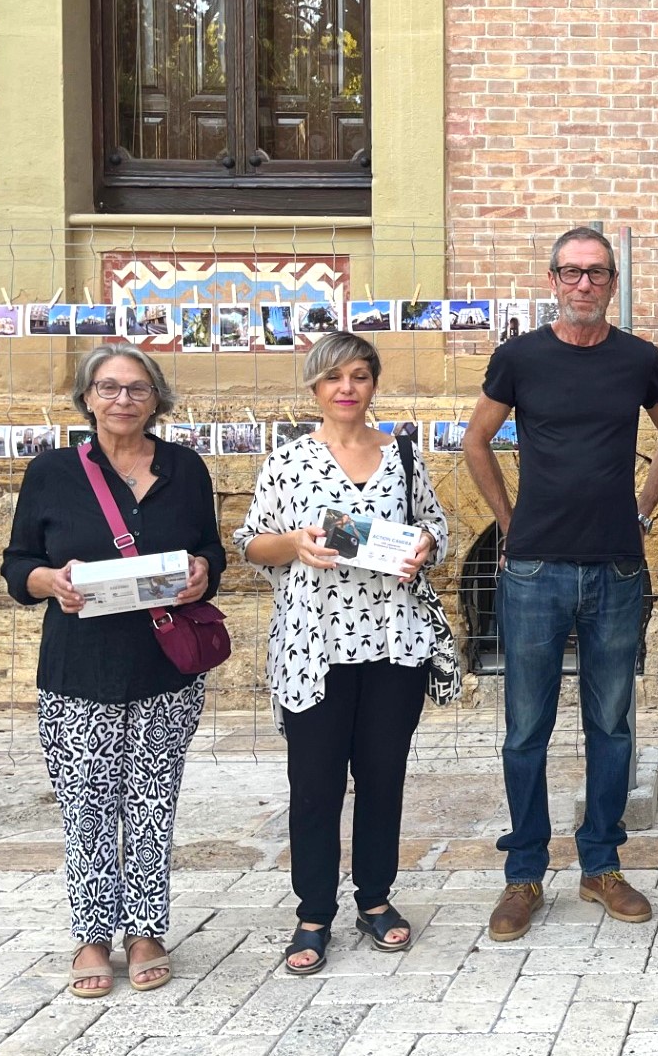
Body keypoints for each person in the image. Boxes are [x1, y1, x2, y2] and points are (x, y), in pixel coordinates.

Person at [462, 226, 658, 941]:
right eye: (571, 272)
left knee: (611, 726)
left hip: (617, 567)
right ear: (552, 280)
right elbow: (475, 440)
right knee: (526, 728)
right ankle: (524, 873)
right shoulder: (519, 357)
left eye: (596, 273)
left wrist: (643, 508)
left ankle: (601, 865)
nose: (583, 284)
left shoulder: (638, 360)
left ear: (612, 283)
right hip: (534, 571)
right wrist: (508, 522)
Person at [1, 343, 224, 998]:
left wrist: (204, 572)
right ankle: (92, 936)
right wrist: (49, 581)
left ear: (156, 400)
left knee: (153, 804)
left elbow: (210, 550)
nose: (123, 399)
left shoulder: (185, 469)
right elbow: (17, 565)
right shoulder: (52, 472)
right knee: (86, 806)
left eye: (137, 388)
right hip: (79, 669)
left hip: (165, 668)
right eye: (108, 387)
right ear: (87, 398)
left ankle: (146, 931)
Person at [237, 332, 448, 975]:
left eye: (359, 375)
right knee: (315, 782)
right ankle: (313, 912)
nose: (347, 388)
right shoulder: (288, 462)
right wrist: (295, 544)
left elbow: (435, 527)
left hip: (392, 638)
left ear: (374, 383)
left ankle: (376, 898)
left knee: (383, 777)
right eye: (333, 377)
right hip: (315, 644)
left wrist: (424, 546)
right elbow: (251, 543)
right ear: (315, 387)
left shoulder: (403, 455)